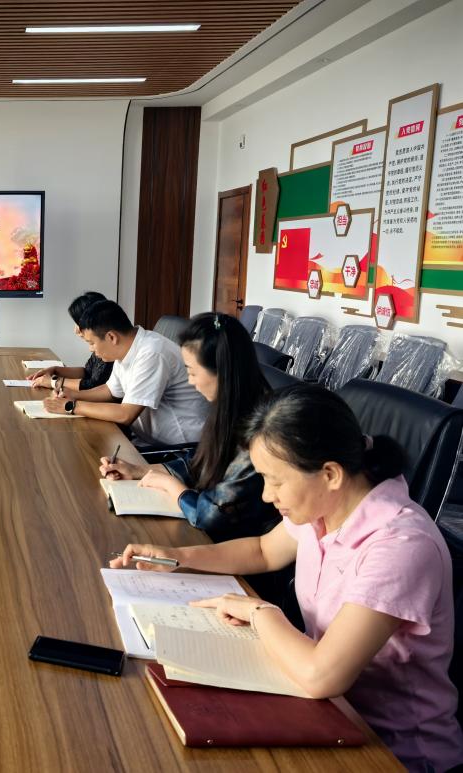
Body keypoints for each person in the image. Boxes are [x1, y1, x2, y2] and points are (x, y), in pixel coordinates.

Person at [113, 384, 463, 771]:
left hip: (392, 752)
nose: (266, 495)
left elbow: (321, 675)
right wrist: (177, 557)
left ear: (330, 473)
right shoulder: (323, 507)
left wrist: (260, 612)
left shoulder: (400, 545)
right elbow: (263, 550)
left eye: (276, 481)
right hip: (325, 713)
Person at [98, 312, 279, 543]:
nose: (190, 381)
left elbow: (212, 515)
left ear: (221, 370)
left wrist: (172, 487)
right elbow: (201, 459)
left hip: (237, 543)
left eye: (192, 371)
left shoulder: (261, 426)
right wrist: (140, 471)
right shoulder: (230, 406)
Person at [44, 300, 207, 446]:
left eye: (92, 342)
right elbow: (109, 391)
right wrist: (73, 394)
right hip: (144, 437)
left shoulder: (152, 353)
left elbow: (125, 414)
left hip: (177, 447)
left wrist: (71, 406)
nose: (91, 349)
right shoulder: (128, 348)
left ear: (111, 337)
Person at [28, 291, 111, 391]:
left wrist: (54, 382)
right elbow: (87, 372)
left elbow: (93, 387)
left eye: (78, 323)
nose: (76, 330)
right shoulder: (101, 346)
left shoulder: (110, 352)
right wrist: (55, 370)